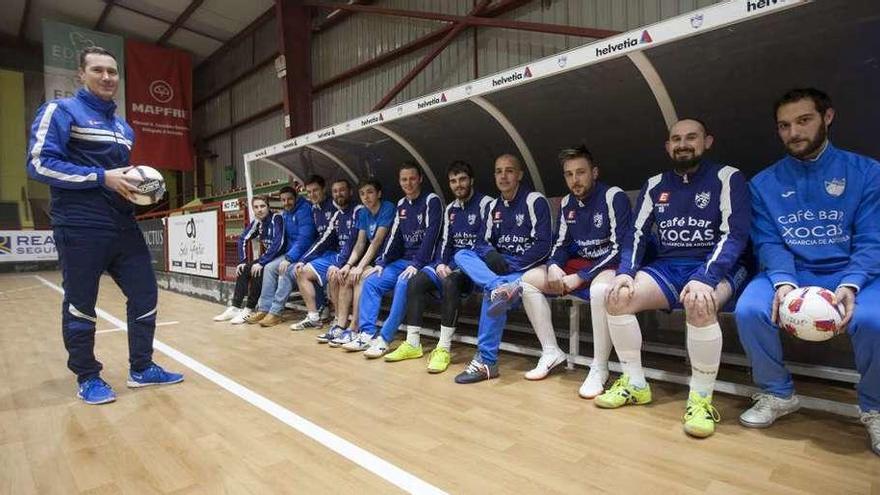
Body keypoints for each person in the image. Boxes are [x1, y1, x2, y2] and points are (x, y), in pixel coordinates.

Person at [26, 46, 183, 405]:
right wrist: (102, 177)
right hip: (80, 224)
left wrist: (138, 189)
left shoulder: (123, 128)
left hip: (123, 224)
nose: (107, 77)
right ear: (80, 75)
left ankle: (142, 368)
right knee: (82, 302)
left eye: (112, 72)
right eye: (98, 70)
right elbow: (39, 164)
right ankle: (88, 376)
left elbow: (119, 177)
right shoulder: (60, 110)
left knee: (145, 293)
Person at [734, 88, 880, 455]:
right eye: (784, 126)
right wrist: (784, 284)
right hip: (792, 273)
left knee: (875, 320)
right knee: (749, 310)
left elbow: (871, 239)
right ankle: (777, 393)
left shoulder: (867, 172)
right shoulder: (763, 183)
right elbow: (768, 242)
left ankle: (875, 407)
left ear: (827, 117)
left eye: (804, 120)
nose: (793, 132)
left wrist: (852, 283)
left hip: (851, 273)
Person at [599, 118, 751, 438]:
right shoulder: (655, 184)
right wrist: (625, 272)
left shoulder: (727, 177)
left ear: (707, 142)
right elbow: (636, 234)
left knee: (699, 302)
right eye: (676, 139)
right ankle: (635, 384)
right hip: (669, 266)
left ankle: (699, 399)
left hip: (715, 265)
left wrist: (706, 277)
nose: (683, 144)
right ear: (668, 147)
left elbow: (734, 235)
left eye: (691, 137)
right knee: (617, 296)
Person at [514, 146, 632, 394]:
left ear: (594, 172)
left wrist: (581, 277)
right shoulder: (567, 202)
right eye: (569, 174)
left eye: (581, 172)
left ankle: (600, 367)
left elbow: (620, 248)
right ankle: (551, 352)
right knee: (528, 280)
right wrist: (554, 265)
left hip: (608, 265)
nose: (575, 180)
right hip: (578, 265)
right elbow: (561, 244)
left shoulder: (614, 197)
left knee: (601, 290)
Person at [377, 160, 493, 372]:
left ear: (471, 180)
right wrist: (440, 263)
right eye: (453, 181)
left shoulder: (487, 204)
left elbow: (485, 242)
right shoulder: (450, 209)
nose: (458, 185)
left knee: (450, 282)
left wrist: (458, 264)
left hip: (473, 268)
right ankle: (413, 343)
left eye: (462, 179)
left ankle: (443, 347)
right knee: (416, 281)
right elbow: (445, 242)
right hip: (448, 264)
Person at [452, 154, 553, 384]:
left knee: (493, 295)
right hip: (498, 271)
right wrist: (491, 254)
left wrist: (511, 265)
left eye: (509, 171)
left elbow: (544, 245)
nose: (503, 176)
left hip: (525, 270)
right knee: (461, 255)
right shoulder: (494, 206)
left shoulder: (534, 200)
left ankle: (487, 362)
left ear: (519, 175)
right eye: (499, 171)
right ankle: (498, 285)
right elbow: (481, 242)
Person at [342, 163, 442, 355]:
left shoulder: (431, 200)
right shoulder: (401, 205)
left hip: (426, 262)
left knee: (403, 283)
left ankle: (384, 339)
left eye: (412, 178)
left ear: (420, 178)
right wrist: (381, 262)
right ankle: (367, 334)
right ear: (399, 181)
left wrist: (417, 263)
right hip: (404, 261)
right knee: (371, 281)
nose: (409, 183)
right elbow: (394, 237)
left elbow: (432, 235)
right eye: (404, 179)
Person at [328, 179, 395, 347]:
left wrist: (359, 267)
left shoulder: (387, 208)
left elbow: (377, 241)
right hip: (371, 257)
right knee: (346, 276)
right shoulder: (364, 213)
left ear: (379, 194)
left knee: (359, 278)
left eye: (370, 192)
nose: (366, 197)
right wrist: (349, 265)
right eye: (362, 194)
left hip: (387, 258)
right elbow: (360, 243)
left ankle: (354, 327)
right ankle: (341, 325)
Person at [291, 179, 360, 332]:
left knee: (333, 274)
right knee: (301, 271)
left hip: (350, 258)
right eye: (336, 191)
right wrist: (303, 259)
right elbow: (322, 239)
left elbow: (354, 242)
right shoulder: (330, 214)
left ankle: (341, 320)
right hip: (339, 256)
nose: (338, 194)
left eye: (342, 190)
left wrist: (341, 263)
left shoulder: (357, 210)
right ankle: (314, 317)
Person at [246, 185, 315, 325]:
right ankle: (264, 309)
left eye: (289, 199)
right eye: (283, 200)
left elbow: (305, 239)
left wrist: (289, 258)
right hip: (292, 252)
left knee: (285, 270)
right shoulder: (286, 213)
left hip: (307, 253)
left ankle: (275, 312)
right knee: (269, 267)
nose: (286, 202)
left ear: (296, 198)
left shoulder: (304, 210)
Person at [213, 196, 285, 324]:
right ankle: (235, 307)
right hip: (269, 257)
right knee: (243, 268)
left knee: (257, 269)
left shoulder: (276, 218)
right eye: (256, 207)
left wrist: (262, 262)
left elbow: (278, 243)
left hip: (281, 256)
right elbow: (243, 239)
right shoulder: (258, 222)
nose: (259, 210)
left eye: (262, 206)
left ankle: (249, 309)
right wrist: (242, 260)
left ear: (268, 207)